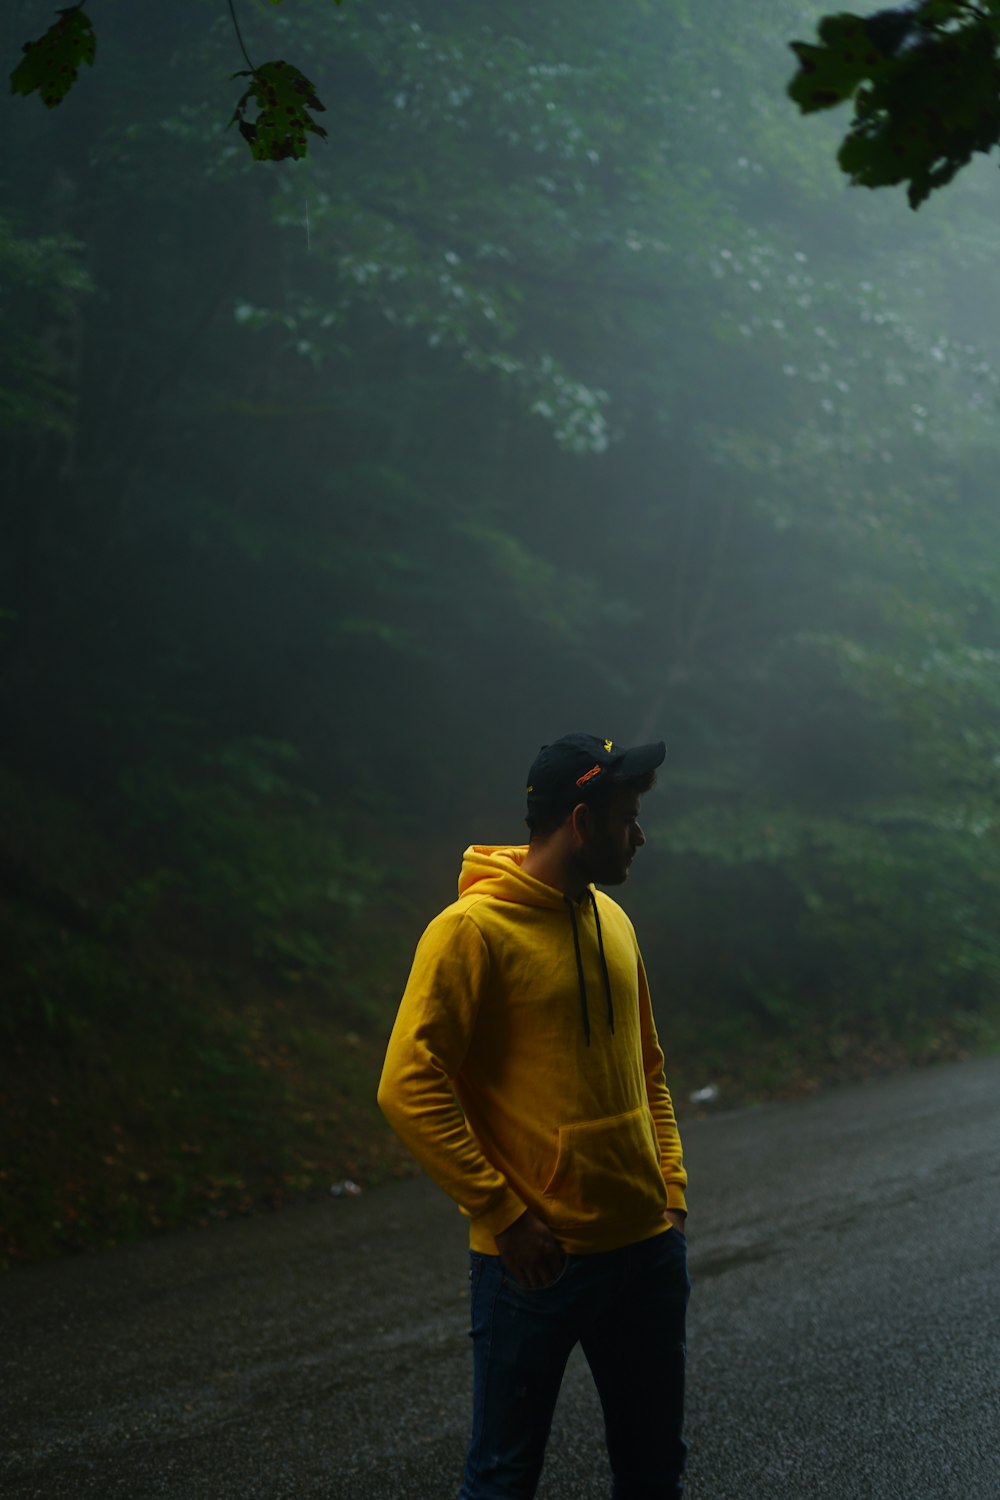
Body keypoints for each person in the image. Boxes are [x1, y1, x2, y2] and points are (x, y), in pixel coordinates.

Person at [377, 733, 690, 1499]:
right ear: (580, 822)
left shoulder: (614, 921)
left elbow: (648, 1069)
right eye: (627, 818)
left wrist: (671, 1193)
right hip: (534, 1263)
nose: (640, 835)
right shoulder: (471, 931)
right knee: (503, 1479)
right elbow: (407, 1085)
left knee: (653, 1474)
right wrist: (503, 1215)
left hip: (645, 1250)